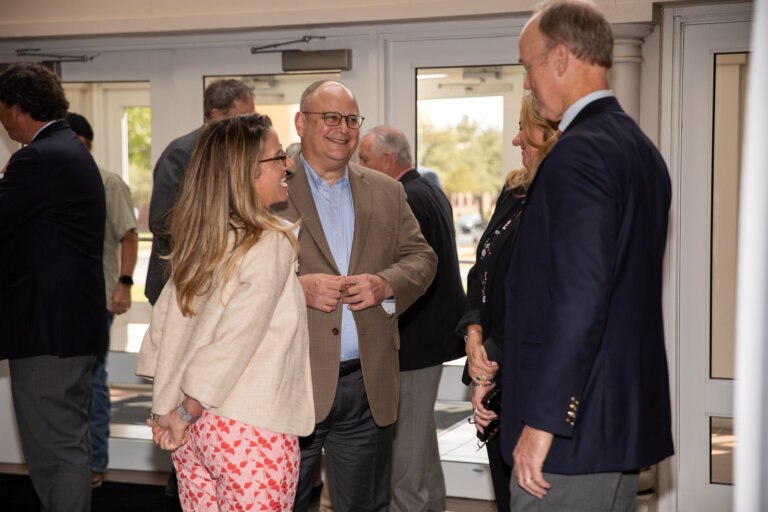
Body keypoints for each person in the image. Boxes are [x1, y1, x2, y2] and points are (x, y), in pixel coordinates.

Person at [501, 1, 674, 510]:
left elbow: (580, 301)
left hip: (571, 432)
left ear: (559, 58)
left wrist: (545, 421)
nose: (528, 83)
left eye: (528, 66)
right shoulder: (640, 148)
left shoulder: (578, 153)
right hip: (614, 421)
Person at [136, 114, 314, 511]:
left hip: (194, 433)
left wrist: (169, 411)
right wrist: (184, 410)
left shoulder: (201, 242)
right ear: (246, 172)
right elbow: (236, 339)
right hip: (248, 428)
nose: (288, 165)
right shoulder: (269, 243)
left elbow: (161, 335)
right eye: (278, 157)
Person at [277, 80, 437, 512]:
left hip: (367, 386)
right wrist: (296, 290)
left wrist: (386, 284)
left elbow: (422, 258)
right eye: (329, 117)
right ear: (301, 122)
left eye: (350, 119)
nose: (342, 129)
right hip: (290, 385)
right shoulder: (270, 189)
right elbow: (232, 278)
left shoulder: (386, 190)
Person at [0, 62, 107, 512]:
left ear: (18, 109)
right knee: (65, 445)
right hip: (68, 329)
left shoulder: (39, 158)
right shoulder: (69, 149)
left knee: (54, 454)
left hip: (48, 333)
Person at [457, 95, 558, 512]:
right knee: (506, 495)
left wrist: (488, 367)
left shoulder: (560, 201)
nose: (517, 138)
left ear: (551, 135)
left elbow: (541, 303)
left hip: (530, 377)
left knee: (530, 496)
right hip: (494, 365)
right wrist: (473, 337)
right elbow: (479, 271)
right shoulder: (514, 189)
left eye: (525, 128)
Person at [359, 124, 465, 512]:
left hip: (417, 342)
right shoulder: (429, 188)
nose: (361, 169)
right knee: (420, 448)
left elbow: (408, 273)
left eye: (365, 160)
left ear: (387, 160)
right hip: (430, 338)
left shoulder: (406, 197)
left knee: (405, 459)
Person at [66, 112, 139, 489]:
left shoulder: (109, 183)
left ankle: (96, 463)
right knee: (65, 385)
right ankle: (69, 463)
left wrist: (124, 284)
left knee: (93, 379)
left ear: (82, 142)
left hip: (97, 298)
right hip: (60, 301)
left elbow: (128, 236)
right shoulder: (51, 181)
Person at [145, 78, 255, 305]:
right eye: (242, 117)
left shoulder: (239, 156)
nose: (248, 125)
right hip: (179, 282)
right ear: (216, 114)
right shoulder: (181, 153)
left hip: (221, 281)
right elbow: (163, 221)